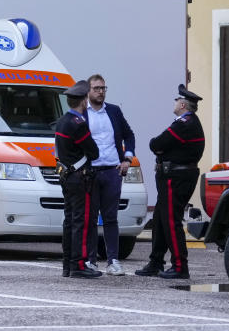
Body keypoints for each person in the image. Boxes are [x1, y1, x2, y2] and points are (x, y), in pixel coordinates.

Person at [135, 84, 205, 279]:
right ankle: (156, 261)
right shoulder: (188, 122)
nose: (174, 103)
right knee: (159, 219)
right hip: (174, 177)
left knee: (171, 220)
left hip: (176, 178)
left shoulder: (184, 124)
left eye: (176, 100)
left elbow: (156, 143)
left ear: (183, 104)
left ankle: (180, 265)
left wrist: (159, 149)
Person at [84, 73, 135, 276]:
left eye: (103, 88)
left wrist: (127, 158)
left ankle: (113, 260)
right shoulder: (82, 112)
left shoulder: (113, 111)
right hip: (90, 172)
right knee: (89, 218)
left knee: (110, 218)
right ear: (88, 91)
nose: (101, 92)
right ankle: (91, 260)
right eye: (96, 88)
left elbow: (129, 134)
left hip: (112, 170)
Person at [55, 80, 102, 278]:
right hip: (79, 177)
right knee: (80, 221)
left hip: (66, 175)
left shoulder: (62, 121)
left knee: (69, 220)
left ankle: (68, 263)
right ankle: (79, 264)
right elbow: (94, 152)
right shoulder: (78, 124)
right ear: (83, 101)